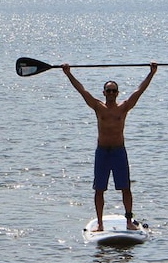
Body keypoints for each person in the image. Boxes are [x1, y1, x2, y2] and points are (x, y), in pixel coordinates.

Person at [62, 62, 158, 231]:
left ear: (117, 93)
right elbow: (81, 91)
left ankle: (129, 221)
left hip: (119, 152)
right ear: (104, 93)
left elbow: (139, 91)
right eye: (109, 90)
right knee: (99, 189)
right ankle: (100, 223)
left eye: (114, 90)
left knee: (126, 188)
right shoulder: (98, 106)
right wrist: (68, 73)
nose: (111, 93)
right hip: (103, 153)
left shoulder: (124, 107)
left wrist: (152, 73)